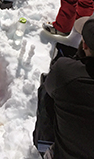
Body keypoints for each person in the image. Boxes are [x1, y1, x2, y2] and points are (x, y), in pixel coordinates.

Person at [41, 15, 94, 158]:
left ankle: (44, 143)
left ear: (84, 45)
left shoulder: (66, 72)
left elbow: (49, 87)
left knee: (47, 89)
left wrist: (79, 58)